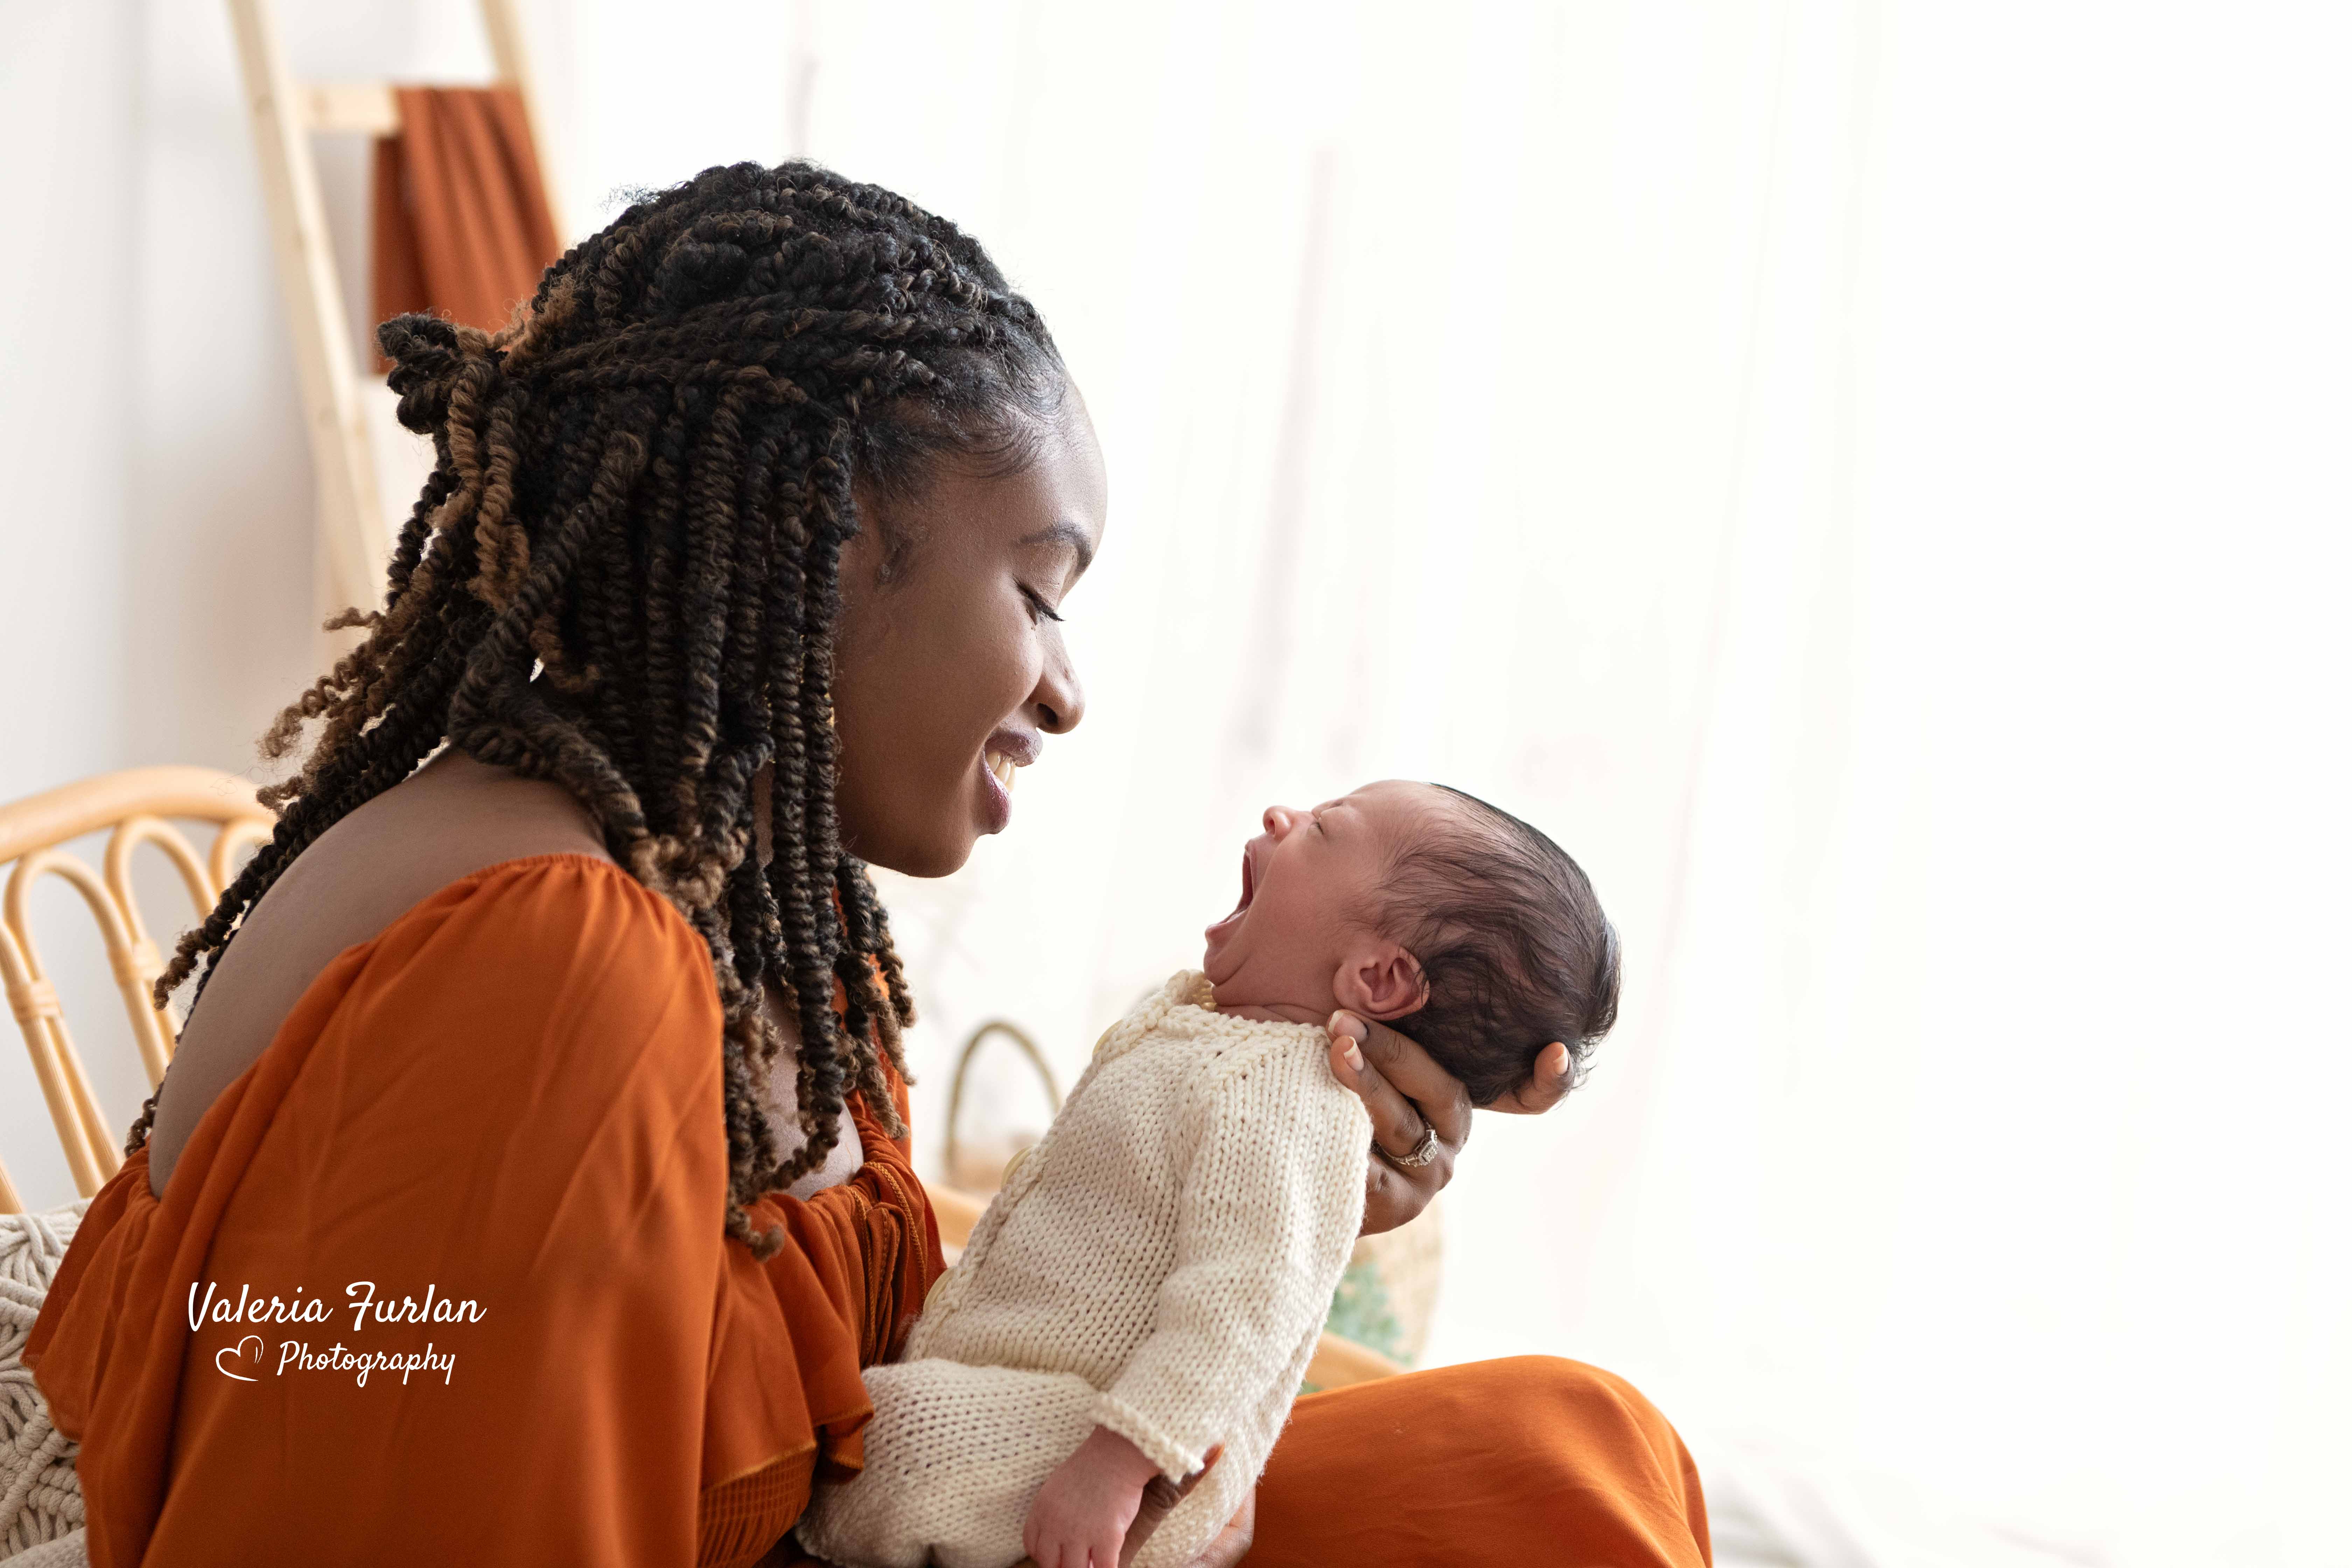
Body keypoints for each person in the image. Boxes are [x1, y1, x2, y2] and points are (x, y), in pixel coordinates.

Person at [25, 162, 1711, 1568]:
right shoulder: (553, 966)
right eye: (1041, 591)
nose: (1065, 687)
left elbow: (869, 1366)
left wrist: (1261, 1186)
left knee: (1574, 1454)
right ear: (812, 548)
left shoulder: (753, 897)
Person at [799, 780, 1622, 1568]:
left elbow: (1244, 1303)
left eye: (1326, 827)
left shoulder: (1288, 1095)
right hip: (1048, 1391)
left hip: (1112, 1441)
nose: (1280, 814)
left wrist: (1119, 1463)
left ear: (1376, 977)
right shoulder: (1209, 1030)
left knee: (893, 1444)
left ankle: (821, 1537)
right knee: (893, 1420)